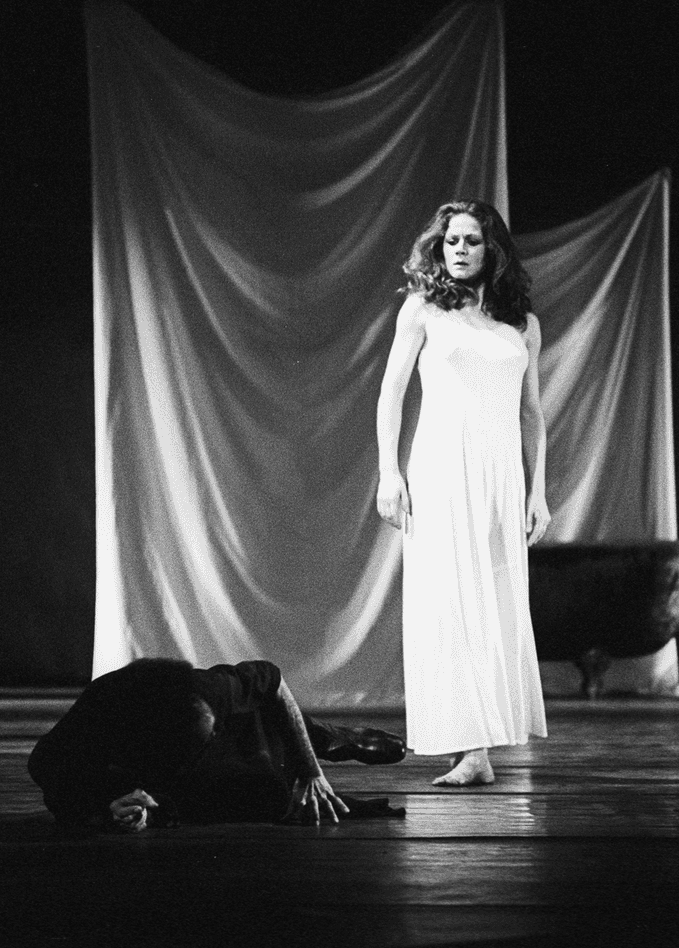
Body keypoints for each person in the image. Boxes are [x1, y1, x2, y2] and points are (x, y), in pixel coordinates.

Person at [374, 199, 550, 787]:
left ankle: (481, 746)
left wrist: (538, 492)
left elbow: (531, 414)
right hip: (442, 470)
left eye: (471, 241)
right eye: (451, 240)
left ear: (491, 249)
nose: (459, 250)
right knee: (449, 603)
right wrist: (389, 473)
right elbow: (391, 393)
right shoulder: (423, 309)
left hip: (500, 476)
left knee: (495, 600)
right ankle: (469, 747)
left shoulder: (521, 324)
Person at [27, 658, 406, 831]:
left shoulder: (207, 691)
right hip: (186, 771)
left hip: (246, 723)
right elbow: (51, 776)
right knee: (267, 795)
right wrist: (110, 805)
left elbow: (272, 681)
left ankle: (334, 738)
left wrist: (311, 771)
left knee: (280, 728)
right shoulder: (95, 724)